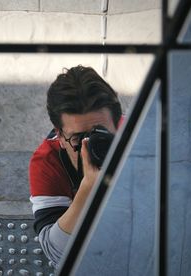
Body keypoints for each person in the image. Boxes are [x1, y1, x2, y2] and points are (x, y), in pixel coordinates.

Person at [29, 65, 123, 267]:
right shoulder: (48, 161)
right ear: (60, 137)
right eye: (78, 138)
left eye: (101, 134)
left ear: (119, 125)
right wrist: (87, 190)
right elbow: (55, 253)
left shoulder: (140, 138)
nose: (88, 147)